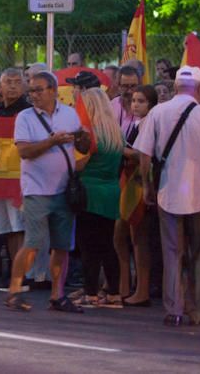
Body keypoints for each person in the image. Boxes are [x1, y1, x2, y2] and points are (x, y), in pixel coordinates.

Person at [134, 66, 200, 327]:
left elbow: (144, 156)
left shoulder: (158, 112)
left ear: (174, 88)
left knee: (172, 251)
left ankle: (174, 309)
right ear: (199, 89)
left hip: (167, 193)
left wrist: (147, 186)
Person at [4, 71, 90, 313]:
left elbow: (81, 146)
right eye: (31, 90)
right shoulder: (25, 117)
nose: (34, 95)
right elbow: (24, 152)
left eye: (38, 90)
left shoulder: (69, 114)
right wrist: (52, 141)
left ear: (53, 90)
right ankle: (14, 290)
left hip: (64, 189)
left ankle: (57, 295)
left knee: (62, 245)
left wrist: (83, 138)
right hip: (37, 189)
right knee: (33, 242)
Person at [73, 84, 124, 308]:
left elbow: (80, 165)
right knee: (107, 245)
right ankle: (114, 293)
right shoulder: (116, 134)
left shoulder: (90, 135)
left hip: (90, 193)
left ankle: (91, 292)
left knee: (88, 246)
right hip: (111, 192)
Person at [115, 84, 157, 307]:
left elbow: (143, 154)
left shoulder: (149, 124)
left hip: (140, 183)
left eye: (141, 101)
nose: (136, 105)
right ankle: (124, 285)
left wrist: (121, 148)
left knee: (139, 238)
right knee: (123, 235)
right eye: (134, 101)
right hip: (128, 182)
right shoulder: (134, 123)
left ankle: (142, 290)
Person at [0, 68, 31, 292]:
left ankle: (21, 273)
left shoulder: (27, 111)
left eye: (18, 82)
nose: (13, 86)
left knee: (18, 226)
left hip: (19, 177)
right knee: (6, 226)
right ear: (0, 87)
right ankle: (11, 269)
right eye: (9, 82)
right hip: (0, 177)